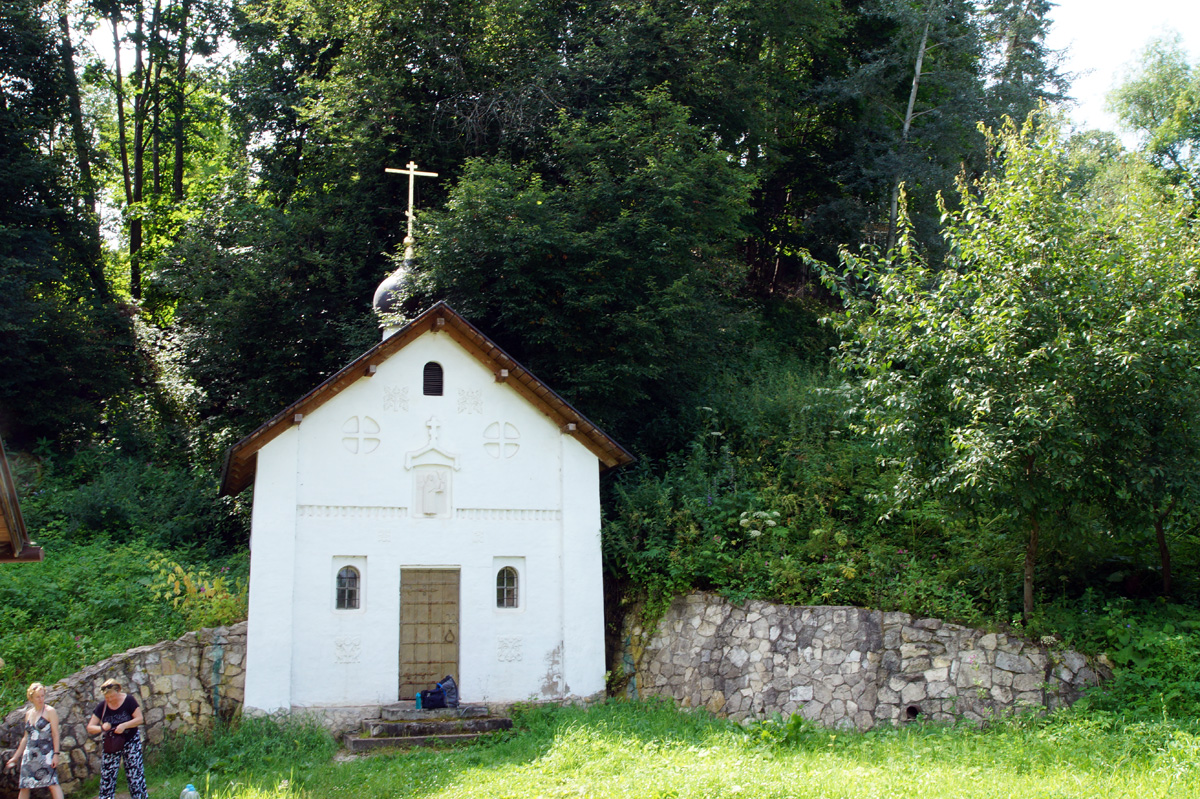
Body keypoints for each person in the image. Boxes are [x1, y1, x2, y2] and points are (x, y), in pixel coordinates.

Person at [85, 678, 147, 799]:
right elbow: (90, 727)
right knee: (107, 778)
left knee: (135, 776)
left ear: (118, 691)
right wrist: (102, 728)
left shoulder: (129, 700)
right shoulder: (102, 706)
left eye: (112, 697)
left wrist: (124, 725)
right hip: (111, 744)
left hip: (130, 742)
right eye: (107, 698)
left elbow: (139, 719)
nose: (109, 700)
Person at [4, 682, 66, 799]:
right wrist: (15, 757)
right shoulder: (28, 714)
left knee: (52, 783)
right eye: (38, 696)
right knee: (24, 786)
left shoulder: (50, 711)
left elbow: (55, 734)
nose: (41, 699)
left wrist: (56, 754)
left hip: (46, 753)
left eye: (42, 696)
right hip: (30, 754)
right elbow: (25, 737)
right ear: (31, 698)